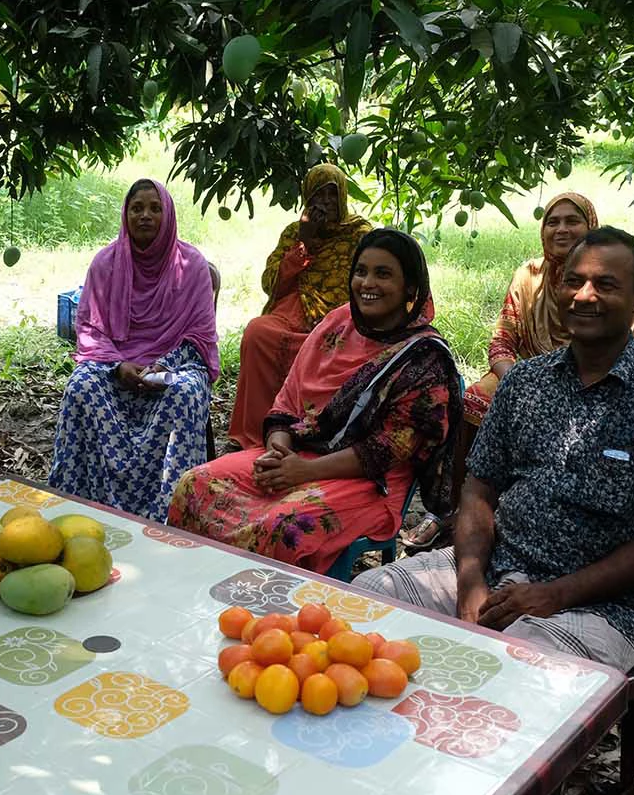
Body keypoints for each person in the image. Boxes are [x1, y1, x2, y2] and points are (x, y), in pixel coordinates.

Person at [354, 227, 634, 673]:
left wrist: (555, 594)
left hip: (603, 605)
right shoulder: (525, 382)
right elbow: (479, 488)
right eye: (573, 281)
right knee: (365, 603)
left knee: (510, 672)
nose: (584, 296)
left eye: (605, 284)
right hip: (492, 568)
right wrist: (470, 581)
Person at [167, 230, 460, 574]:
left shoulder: (424, 360)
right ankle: (196, 592)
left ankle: (268, 617)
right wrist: (279, 449)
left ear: (410, 287)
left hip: (369, 480)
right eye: (361, 271)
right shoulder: (338, 324)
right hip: (298, 458)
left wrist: (303, 471)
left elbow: (383, 451)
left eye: (384, 273)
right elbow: (288, 401)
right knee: (195, 485)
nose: (368, 282)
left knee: (284, 527)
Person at [402, 191, 634, 552]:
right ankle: (453, 508)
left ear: (590, 226)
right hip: (526, 370)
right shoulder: (529, 276)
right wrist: (523, 380)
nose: (561, 229)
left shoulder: (620, 283)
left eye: (572, 221)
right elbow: (501, 342)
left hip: (595, 376)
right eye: (552, 221)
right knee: (471, 400)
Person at [48, 179, 219, 519]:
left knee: (186, 393)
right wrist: (118, 365)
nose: (145, 216)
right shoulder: (106, 263)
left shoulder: (193, 266)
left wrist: (162, 367)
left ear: (168, 214)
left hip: (173, 368)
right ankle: (81, 503)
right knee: (81, 387)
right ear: (125, 214)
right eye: (136, 208)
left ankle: (170, 514)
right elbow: (90, 328)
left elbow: (200, 336)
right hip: (114, 367)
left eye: (155, 208)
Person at [227, 163, 372, 449]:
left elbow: (363, 286)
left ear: (342, 196)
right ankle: (254, 435)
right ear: (308, 198)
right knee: (257, 333)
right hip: (290, 313)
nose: (326, 203)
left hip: (336, 318)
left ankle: (309, 437)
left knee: (327, 346)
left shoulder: (359, 234)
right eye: (318, 196)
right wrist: (304, 245)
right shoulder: (296, 231)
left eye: (332, 195)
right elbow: (271, 283)